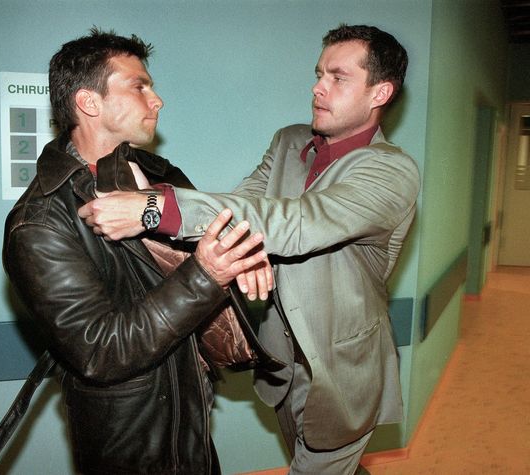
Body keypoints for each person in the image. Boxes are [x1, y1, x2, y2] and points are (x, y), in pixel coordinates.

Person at [78, 24, 420, 474]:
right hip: (284, 361)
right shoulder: (289, 141)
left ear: (380, 93)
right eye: (319, 74)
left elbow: (300, 222)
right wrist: (245, 245)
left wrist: (155, 207)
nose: (318, 87)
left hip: (342, 369)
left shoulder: (392, 172)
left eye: (338, 78)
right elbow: (246, 205)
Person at [2, 28, 273, 475]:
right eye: (139, 86)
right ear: (89, 103)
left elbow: (198, 262)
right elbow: (100, 351)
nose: (157, 100)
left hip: (191, 417)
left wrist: (239, 257)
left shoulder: (159, 173)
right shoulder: (40, 222)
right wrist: (206, 274)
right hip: (130, 441)